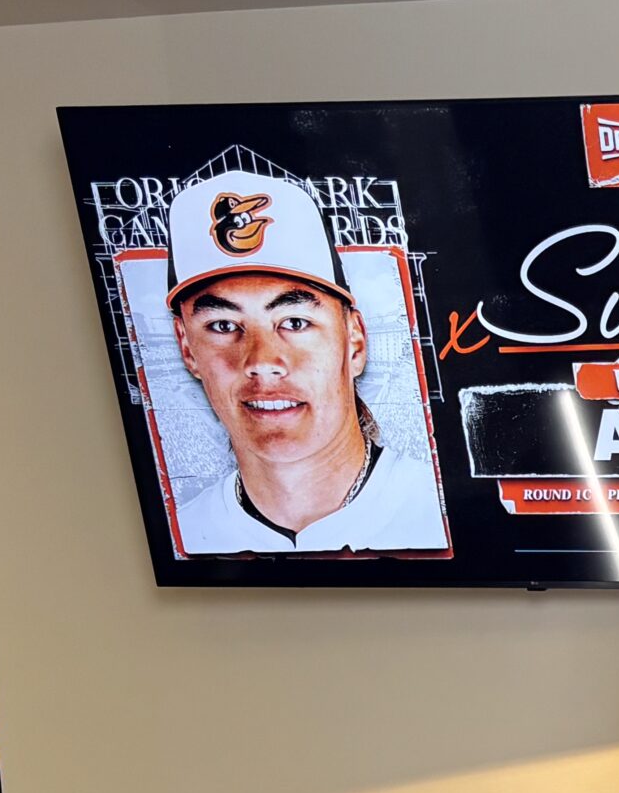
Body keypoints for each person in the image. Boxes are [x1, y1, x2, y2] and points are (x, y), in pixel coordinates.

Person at [164, 167, 450, 556]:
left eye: (295, 322)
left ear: (354, 340)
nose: (262, 361)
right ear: (187, 348)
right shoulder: (185, 534)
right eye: (223, 324)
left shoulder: (440, 510)